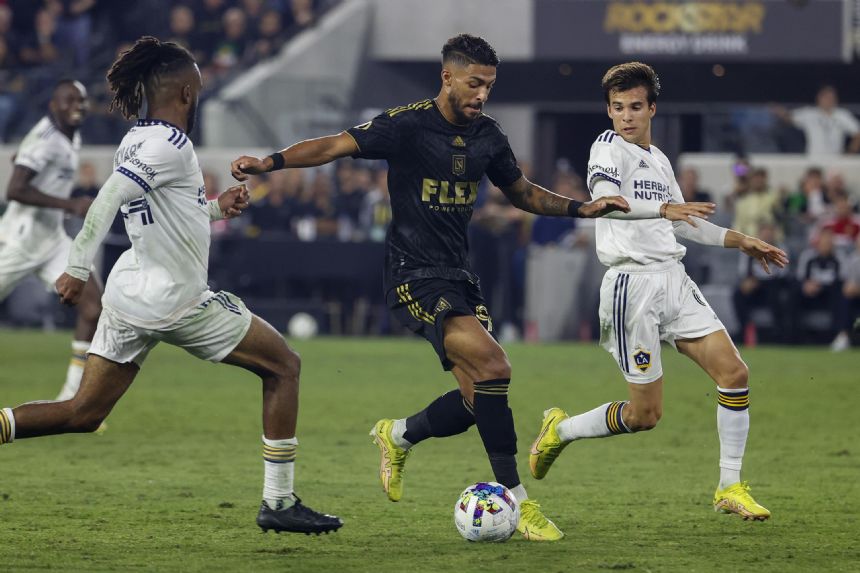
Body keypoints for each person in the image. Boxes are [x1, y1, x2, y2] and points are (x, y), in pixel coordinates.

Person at [230, 34, 713, 541]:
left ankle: (396, 435)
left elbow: (523, 192)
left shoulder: (488, 136)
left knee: (474, 398)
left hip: (460, 275)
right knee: (495, 366)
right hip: (412, 274)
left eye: (490, 86)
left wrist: (580, 208)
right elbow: (333, 146)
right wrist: (271, 163)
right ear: (448, 77)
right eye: (475, 83)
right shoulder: (408, 124)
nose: (482, 94)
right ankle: (518, 502)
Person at [0, 37, 342, 536]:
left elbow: (162, 213)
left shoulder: (136, 139)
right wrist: (75, 264)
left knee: (84, 413)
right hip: (175, 299)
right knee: (285, 366)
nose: (199, 98)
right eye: (198, 90)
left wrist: (214, 208)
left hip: (128, 293)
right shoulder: (170, 144)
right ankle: (279, 501)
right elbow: (109, 197)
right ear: (185, 93)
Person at [529, 62, 789, 522]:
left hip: (673, 279)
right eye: (616, 108)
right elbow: (610, 201)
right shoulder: (606, 148)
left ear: (652, 108)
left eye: (634, 107)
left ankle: (730, 487)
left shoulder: (660, 160)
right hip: (632, 288)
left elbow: (685, 221)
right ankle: (560, 430)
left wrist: (739, 239)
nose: (625, 116)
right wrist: (665, 207)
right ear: (608, 112)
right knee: (644, 415)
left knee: (734, 374)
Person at [0, 79, 102, 402]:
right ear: (53, 105)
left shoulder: (69, 137)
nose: (76, 106)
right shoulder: (47, 139)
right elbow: (14, 190)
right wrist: (69, 204)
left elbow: (30, 166)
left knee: (93, 305)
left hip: (52, 241)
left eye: (81, 101)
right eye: (68, 100)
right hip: (19, 241)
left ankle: (70, 398)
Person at [772, 85, 860, 156]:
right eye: (826, 97)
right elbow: (789, 118)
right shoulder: (809, 113)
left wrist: (850, 153)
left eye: (831, 97)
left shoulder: (842, 115)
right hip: (813, 158)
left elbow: (857, 133)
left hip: (835, 159)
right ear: (819, 98)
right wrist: (779, 111)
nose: (829, 100)